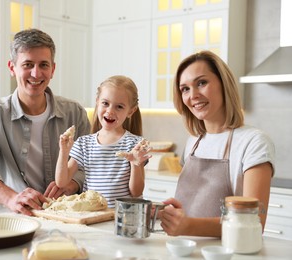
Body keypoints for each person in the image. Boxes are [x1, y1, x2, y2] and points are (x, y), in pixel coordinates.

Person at [0, 28, 90, 216]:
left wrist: (72, 184)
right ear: (12, 67)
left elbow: (89, 164)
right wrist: (11, 198)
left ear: (53, 69)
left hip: (67, 213)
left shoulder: (75, 113)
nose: (36, 73)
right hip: (14, 216)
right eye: (28, 64)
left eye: (44, 65)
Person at [159, 51, 275, 237]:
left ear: (224, 84)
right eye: (185, 89)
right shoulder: (193, 143)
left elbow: (254, 222)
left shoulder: (253, 142)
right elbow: (191, 209)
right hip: (183, 250)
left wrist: (188, 225)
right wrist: (167, 215)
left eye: (202, 83)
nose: (193, 95)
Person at [55, 75, 151, 208]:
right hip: (93, 216)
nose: (110, 111)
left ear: (131, 111)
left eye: (119, 107)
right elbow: (62, 182)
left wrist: (135, 164)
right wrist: (64, 152)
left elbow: (136, 192)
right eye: (105, 103)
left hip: (122, 219)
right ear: (97, 102)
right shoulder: (84, 144)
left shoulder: (135, 145)